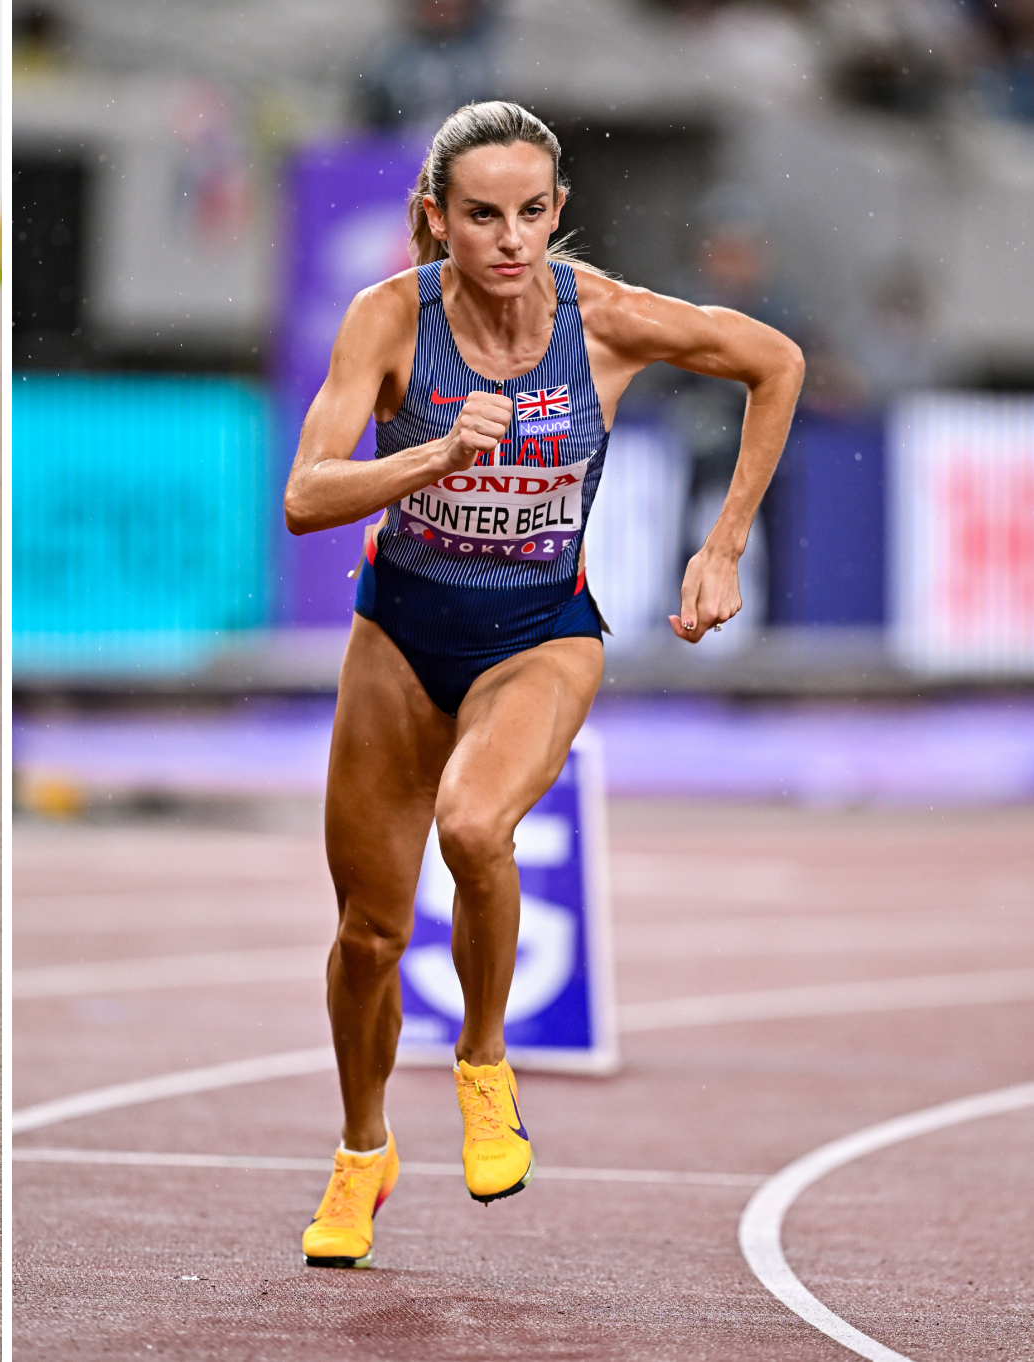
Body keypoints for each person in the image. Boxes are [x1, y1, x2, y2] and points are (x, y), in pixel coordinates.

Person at [282, 101, 801, 1268]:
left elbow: (776, 363)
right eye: (480, 216)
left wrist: (720, 545)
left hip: (539, 632)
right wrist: (427, 456)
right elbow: (306, 495)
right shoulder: (387, 322)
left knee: (475, 827)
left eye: (529, 212)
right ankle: (363, 1154)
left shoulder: (604, 319)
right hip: (397, 637)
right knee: (367, 935)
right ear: (434, 220)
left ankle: (481, 1063)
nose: (509, 239)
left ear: (557, 212)